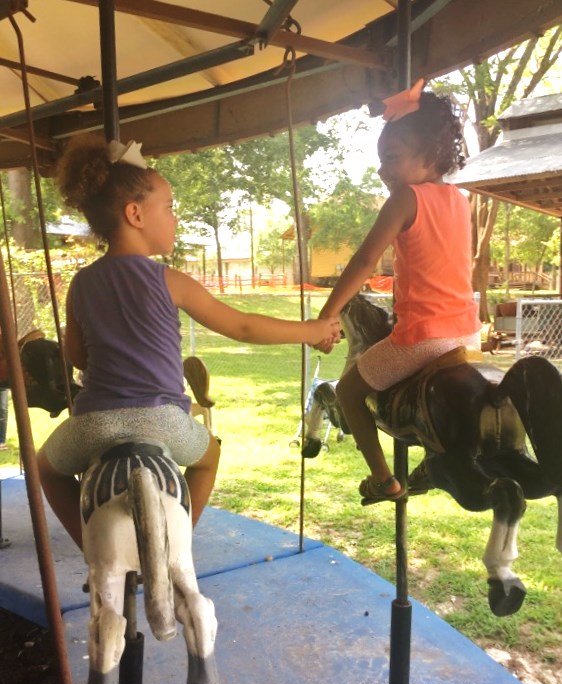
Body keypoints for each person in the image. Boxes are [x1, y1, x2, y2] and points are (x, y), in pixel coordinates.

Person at [37, 135, 339, 549]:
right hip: (163, 421)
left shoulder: (82, 283)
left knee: (46, 469)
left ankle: (91, 546)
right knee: (208, 459)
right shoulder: (169, 280)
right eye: (169, 207)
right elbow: (243, 328)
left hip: (95, 424)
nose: (175, 218)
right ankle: (175, 545)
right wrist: (311, 330)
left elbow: (77, 356)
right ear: (135, 214)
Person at [315, 80, 481, 503]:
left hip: (424, 336)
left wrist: (327, 315)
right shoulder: (459, 199)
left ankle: (383, 479)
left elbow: (364, 262)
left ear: (430, 154)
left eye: (391, 157)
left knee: (348, 391)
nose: (382, 170)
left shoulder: (406, 198)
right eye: (380, 160)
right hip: (467, 334)